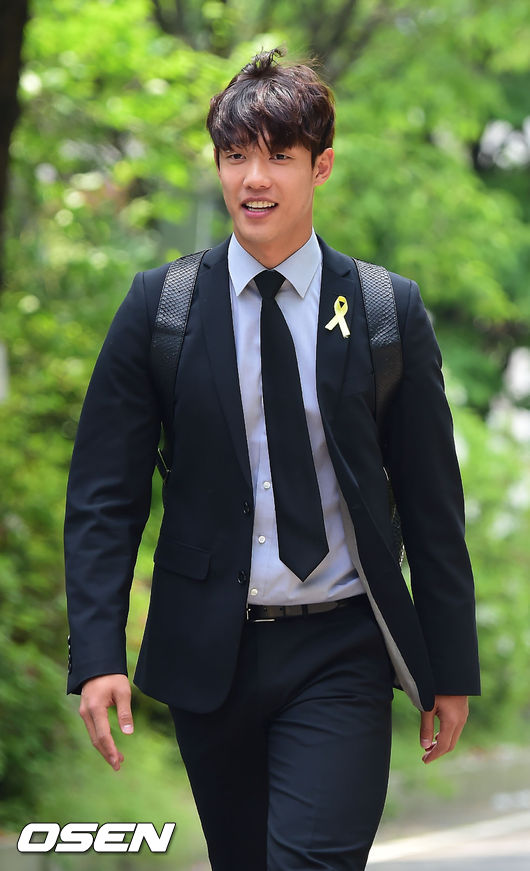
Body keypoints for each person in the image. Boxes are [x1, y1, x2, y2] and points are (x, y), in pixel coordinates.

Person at [64, 47, 480, 871]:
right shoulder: (162, 307)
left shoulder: (384, 311)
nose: (254, 179)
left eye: (279, 156)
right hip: (210, 654)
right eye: (234, 155)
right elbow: (105, 496)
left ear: (321, 165)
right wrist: (97, 653)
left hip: (342, 647)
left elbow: (432, 502)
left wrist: (450, 663)